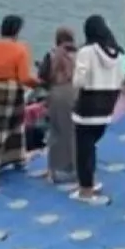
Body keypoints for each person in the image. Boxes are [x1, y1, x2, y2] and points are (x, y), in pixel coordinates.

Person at [0, 14, 39, 190]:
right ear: (16, 30)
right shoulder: (20, 49)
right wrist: (41, 83)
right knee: (14, 128)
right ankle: (14, 162)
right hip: (11, 92)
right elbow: (25, 78)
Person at [70, 15, 125, 205]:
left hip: (87, 108)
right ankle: (90, 183)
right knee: (92, 145)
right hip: (107, 107)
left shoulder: (86, 52)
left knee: (83, 149)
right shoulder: (117, 53)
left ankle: (86, 190)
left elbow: (79, 80)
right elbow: (122, 78)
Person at [36, 26, 78, 184]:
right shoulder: (79, 54)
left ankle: (53, 171)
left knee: (55, 132)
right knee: (74, 132)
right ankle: (75, 167)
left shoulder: (52, 54)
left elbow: (42, 77)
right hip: (76, 92)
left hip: (57, 93)